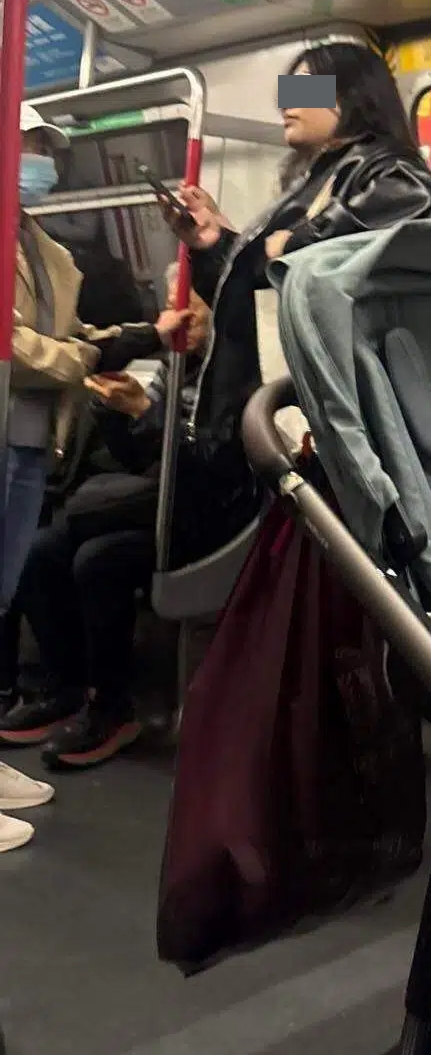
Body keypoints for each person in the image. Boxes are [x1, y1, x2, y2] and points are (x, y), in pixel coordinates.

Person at [162, 37, 431, 468]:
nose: (286, 104)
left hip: (342, 410)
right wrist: (212, 242)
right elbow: (263, 287)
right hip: (290, 401)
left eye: (302, 89)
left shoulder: (380, 165)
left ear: (349, 96)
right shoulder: (318, 176)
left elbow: (415, 199)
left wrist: (297, 240)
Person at [0, 278, 249, 768]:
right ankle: (65, 686)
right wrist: (118, 414)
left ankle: (113, 709)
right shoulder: (175, 366)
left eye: (191, 306)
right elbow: (141, 458)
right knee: (40, 551)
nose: (178, 315)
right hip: (164, 501)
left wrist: (144, 411)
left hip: (215, 517)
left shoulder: (234, 374)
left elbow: (214, 466)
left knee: (100, 560)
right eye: (172, 304)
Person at [2, 102, 176, 621]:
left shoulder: (41, 246)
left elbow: (71, 334)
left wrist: (147, 335)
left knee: (12, 579)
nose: (42, 160)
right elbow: (12, 345)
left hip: (35, 440)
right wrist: (90, 355)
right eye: (31, 146)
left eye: (45, 150)